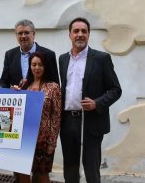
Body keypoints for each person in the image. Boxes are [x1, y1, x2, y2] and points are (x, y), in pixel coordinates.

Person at [59, 17, 122, 183]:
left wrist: (97, 103)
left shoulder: (101, 59)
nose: (80, 34)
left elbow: (116, 90)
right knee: (70, 168)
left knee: (91, 168)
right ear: (70, 35)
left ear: (89, 34)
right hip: (68, 121)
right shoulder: (63, 59)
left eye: (84, 31)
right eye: (76, 31)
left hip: (91, 122)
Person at [13, 51, 61, 183]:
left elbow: (56, 117)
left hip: (43, 139)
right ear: (30, 66)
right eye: (34, 64)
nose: (37, 68)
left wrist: (52, 142)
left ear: (45, 67)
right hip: (24, 137)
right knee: (22, 172)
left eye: (40, 64)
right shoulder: (24, 85)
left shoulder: (53, 87)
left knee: (42, 174)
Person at [0, 19, 59, 89]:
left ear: (33, 34)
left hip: (40, 98)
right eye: (20, 33)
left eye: (26, 33)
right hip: (18, 98)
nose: (23, 36)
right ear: (16, 35)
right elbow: (4, 81)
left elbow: (55, 84)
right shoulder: (10, 55)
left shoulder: (48, 55)